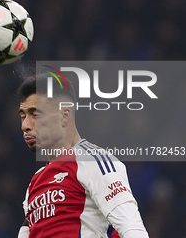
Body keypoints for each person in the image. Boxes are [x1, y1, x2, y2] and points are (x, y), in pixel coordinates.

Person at [16, 74, 149, 238]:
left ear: (64, 116)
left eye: (35, 114)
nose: (25, 126)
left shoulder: (93, 160)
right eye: (23, 117)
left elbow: (132, 227)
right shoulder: (35, 183)